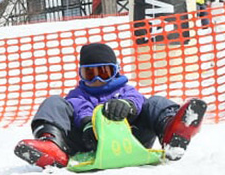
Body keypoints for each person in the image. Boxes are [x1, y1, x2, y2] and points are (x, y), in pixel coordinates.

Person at [14, 42, 207, 168]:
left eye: (104, 72)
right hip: (87, 143)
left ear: (115, 72)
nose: (97, 79)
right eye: (90, 74)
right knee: (54, 102)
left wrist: (128, 106)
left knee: (154, 102)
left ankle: (172, 133)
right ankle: (52, 145)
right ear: (81, 75)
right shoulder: (78, 94)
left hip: (131, 138)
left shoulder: (125, 89)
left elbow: (137, 99)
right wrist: (89, 123)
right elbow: (78, 105)